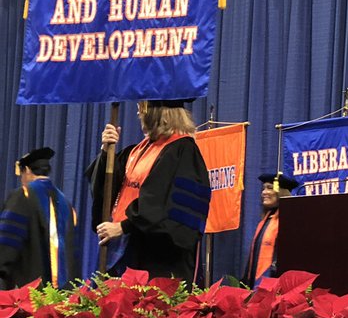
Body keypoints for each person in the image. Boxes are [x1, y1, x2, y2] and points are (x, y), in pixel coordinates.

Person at [89, 99, 211, 280]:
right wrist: (107, 152)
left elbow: (162, 201)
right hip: (125, 247)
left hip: (159, 257)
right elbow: (108, 188)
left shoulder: (183, 151)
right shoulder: (137, 151)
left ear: (159, 113)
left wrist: (124, 226)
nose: (139, 113)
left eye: (143, 108)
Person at [0, 147, 80, 289]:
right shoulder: (66, 204)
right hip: (63, 294)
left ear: (27, 170)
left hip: (29, 292)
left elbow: (7, 246)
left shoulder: (23, 196)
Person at [244, 172, 299, 287]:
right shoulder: (265, 221)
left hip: (275, 284)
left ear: (281, 192)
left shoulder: (288, 221)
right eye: (263, 188)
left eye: (269, 188)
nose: (264, 192)